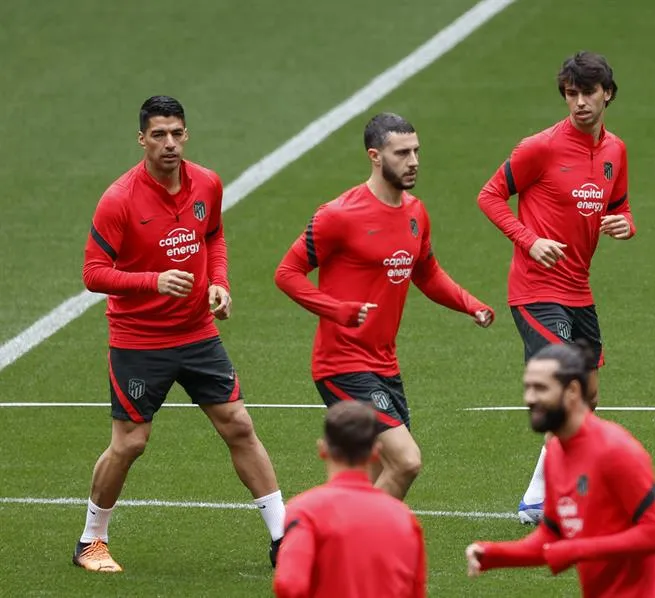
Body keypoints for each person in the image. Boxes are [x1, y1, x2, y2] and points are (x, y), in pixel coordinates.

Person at [75, 96, 285, 572]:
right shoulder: (119, 199)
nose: (169, 143)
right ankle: (91, 541)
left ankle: (283, 536)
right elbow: (93, 273)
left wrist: (219, 284)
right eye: (159, 135)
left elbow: (213, 235)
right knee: (130, 442)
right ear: (142, 139)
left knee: (239, 425)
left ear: (186, 134)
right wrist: (153, 281)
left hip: (197, 332)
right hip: (139, 339)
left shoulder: (207, 183)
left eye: (176, 133)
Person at [275, 112, 494, 500]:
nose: (414, 162)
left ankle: (330, 532)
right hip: (342, 363)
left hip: (384, 363)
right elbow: (287, 273)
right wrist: (336, 310)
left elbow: (426, 273)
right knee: (406, 461)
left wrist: (470, 304)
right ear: (374, 156)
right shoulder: (338, 215)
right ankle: (367, 534)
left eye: (416, 151)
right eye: (402, 153)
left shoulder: (416, 212)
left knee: (370, 475)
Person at [476, 51, 636, 524]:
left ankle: (540, 494)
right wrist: (529, 240)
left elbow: (620, 207)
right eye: (571, 94)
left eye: (588, 93)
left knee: (588, 394)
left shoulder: (615, 151)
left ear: (607, 94)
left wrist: (626, 224)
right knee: (565, 386)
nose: (580, 102)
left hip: (579, 289)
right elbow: (489, 195)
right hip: (535, 289)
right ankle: (546, 499)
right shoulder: (539, 147)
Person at [465, 341, 655, 598]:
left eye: (541, 388)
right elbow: (551, 535)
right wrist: (493, 554)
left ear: (572, 391)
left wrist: (577, 549)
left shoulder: (615, 450)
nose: (529, 398)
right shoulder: (555, 453)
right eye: (528, 387)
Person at [273, 401, 427, 598]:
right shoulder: (405, 519)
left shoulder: (306, 511)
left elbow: (290, 584)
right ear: (375, 451)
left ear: (323, 449)